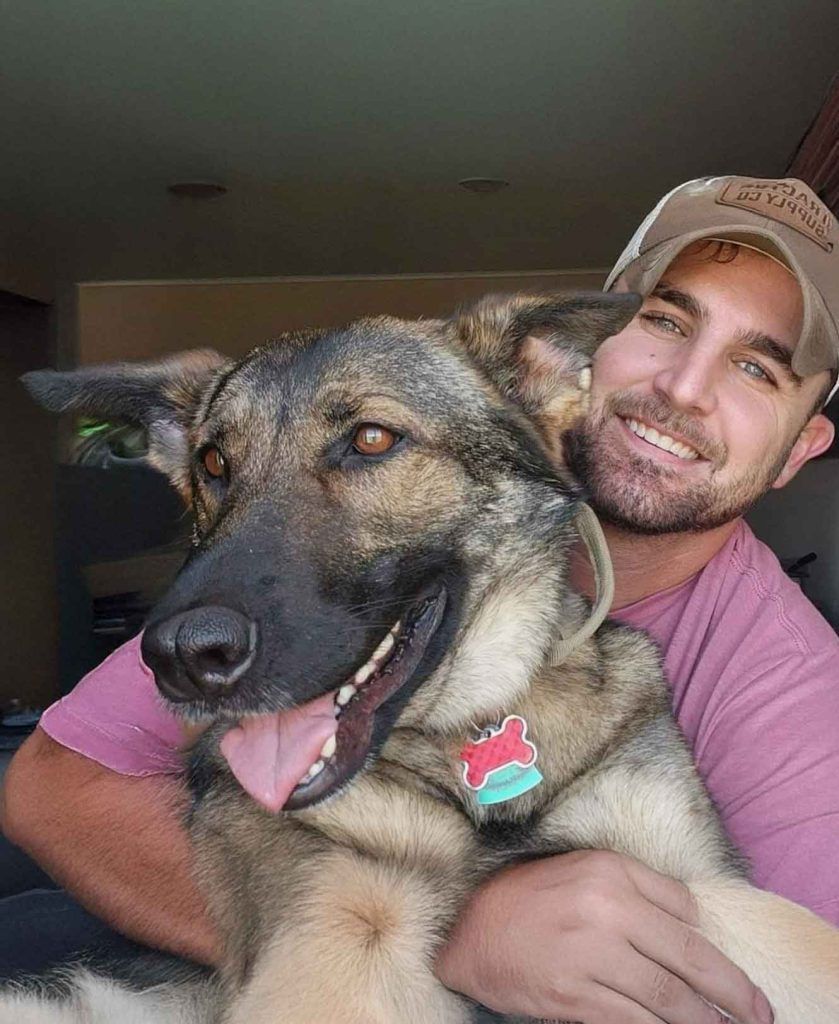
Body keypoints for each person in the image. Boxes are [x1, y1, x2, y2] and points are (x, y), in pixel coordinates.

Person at [2, 174, 838, 1024]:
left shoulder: (785, 678)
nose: (684, 388)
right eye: (663, 319)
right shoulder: (249, 612)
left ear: (802, 443)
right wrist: (458, 937)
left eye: (755, 367)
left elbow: (771, 953)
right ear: (584, 352)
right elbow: (53, 789)